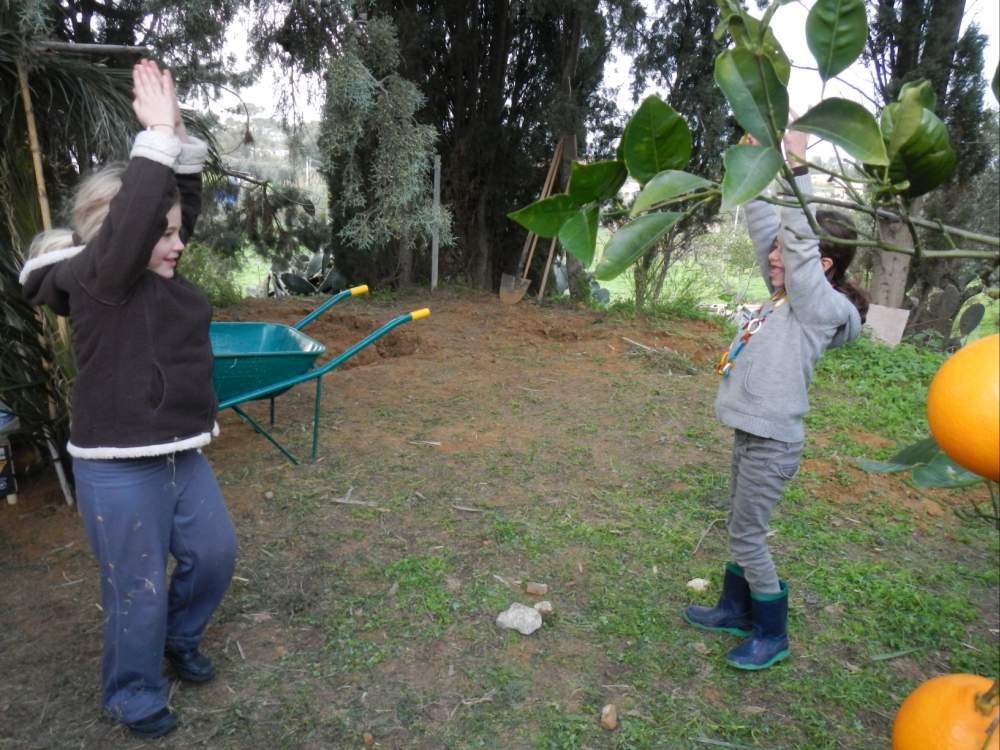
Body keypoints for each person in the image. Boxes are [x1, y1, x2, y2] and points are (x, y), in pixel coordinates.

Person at [19, 60, 237, 737]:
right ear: (121, 236)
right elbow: (138, 220)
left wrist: (180, 148)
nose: (178, 243)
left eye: (176, 231)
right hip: (117, 467)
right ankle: (133, 691)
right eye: (162, 234)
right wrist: (156, 137)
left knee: (215, 555)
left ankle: (179, 637)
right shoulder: (100, 281)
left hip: (179, 455)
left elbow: (171, 209)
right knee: (135, 588)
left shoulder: (153, 269)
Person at [681, 128, 869, 670]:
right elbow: (768, 225)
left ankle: (772, 633)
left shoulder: (817, 307)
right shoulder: (784, 295)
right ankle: (734, 609)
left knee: (748, 536)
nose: (772, 256)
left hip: (773, 443)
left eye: (783, 252)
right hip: (753, 434)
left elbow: (797, 240)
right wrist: (755, 163)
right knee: (739, 525)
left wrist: (797, 165)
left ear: (821, 265)